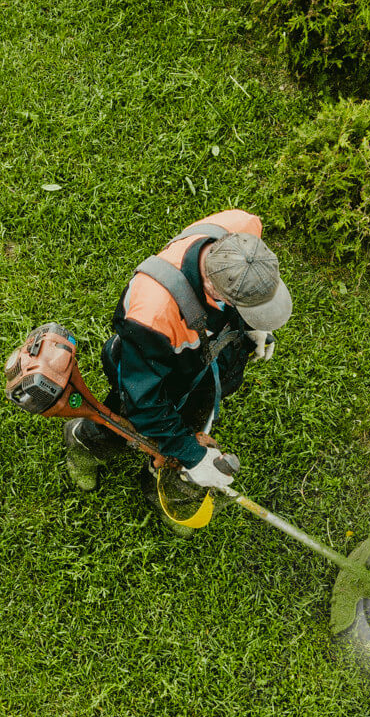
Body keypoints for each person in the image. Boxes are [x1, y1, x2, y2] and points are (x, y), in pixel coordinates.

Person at [63, 209, 293, 534]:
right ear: (213, 287)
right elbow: (144, 399)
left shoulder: (243, 228)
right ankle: (84, 444)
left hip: (206, 360)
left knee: (193, 421)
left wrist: (253, 328)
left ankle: (161, 476)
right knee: (124, 424)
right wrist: (193, 455)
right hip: (152, 371)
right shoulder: (152, 313)